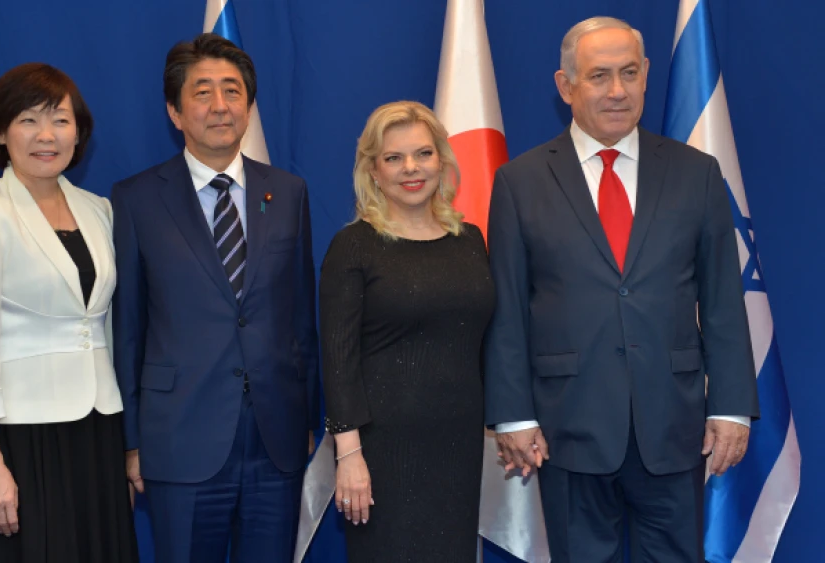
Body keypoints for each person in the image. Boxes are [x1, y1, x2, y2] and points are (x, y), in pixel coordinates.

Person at [484, 16, 760, 563]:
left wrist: (731, 406)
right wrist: (513, 414)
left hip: (674, 423)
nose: (617, 90)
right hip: (567, 425)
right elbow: (508, 308)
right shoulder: (520, 182)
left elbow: (723, 301)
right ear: (565, 86)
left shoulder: (697, 172)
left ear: (647, 74)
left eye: (629, 73)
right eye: (599, 76)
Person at [110, 33, 319, 563]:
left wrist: (309, 418)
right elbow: (128, 328)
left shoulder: (287, 192)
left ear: (249, 106)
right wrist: (131, 440)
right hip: (178, 438)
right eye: (202, 92)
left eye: (232, 91)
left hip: (276, 438)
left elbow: (301, 317)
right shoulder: (136, 199)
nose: (220, 105)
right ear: (175, 111)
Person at [0, 63, 137, 562]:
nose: (46, 135)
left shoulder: (99, 209)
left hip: (96, 428)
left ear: (79, 133)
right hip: (21, 436)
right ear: (0, 133)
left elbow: (105, 324)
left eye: (60, 120)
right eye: (28, 120)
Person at [319, 101, 495, 562]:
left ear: (441, 159)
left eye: (423, 153)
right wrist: (348, 454)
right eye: (394, 158)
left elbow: (485, 344)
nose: (411, 168)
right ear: (373, 171)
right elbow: (338, 359)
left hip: (458, 446)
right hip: (381, 452)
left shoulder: (470, 241)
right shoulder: (353, 246)